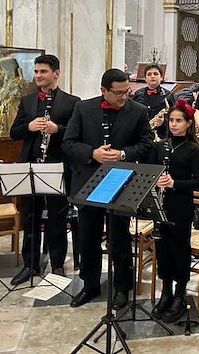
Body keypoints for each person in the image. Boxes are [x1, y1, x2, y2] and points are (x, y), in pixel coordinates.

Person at [63, 68, 153, 309]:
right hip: (88, 183)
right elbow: (69, 143)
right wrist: (92, 153)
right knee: (88, 238)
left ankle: (122, 287)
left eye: (127, 92)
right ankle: (89, 285)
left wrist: (123, 153)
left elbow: (146, 144)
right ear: (103, 90)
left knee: (120, 239)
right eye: (118, 93)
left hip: (121, 182)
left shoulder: (139, 111)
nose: (124, 98)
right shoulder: (82, 108)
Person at [9, 55, 80, 285]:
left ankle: (57, 265)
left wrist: (56, 128)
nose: (38, 75)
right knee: (30, 216)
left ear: (56, 73)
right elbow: (14, 132)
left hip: (56, 166)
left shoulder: (72, 102)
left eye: (43, 72)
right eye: (37, 71)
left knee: (57, 218)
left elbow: (76, 133)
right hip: (30, 165)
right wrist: (29, 126)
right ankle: (30, 264)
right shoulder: (27, 101)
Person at [148, 100, 199, 322]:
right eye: (171, 120)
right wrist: (156, 181)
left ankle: (180, 294)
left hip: (181, 207)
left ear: (188, 123)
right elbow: (150, 172)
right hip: (160, 206)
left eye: (178, 121)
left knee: (179, 248)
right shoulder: (159, 146)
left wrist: (175, 183)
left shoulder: (193, 149)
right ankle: (166, 292)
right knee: (162, 249)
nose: (173, 124)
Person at [133, 63, 175, 139]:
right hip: (141, 135)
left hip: (161, 135)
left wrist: (163, 121)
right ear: (145, 78)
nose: (152, 76)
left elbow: (174, 115)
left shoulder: (168, 95)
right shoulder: (138, 94)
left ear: (161, 77)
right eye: (149, 74)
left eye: (155, 74)